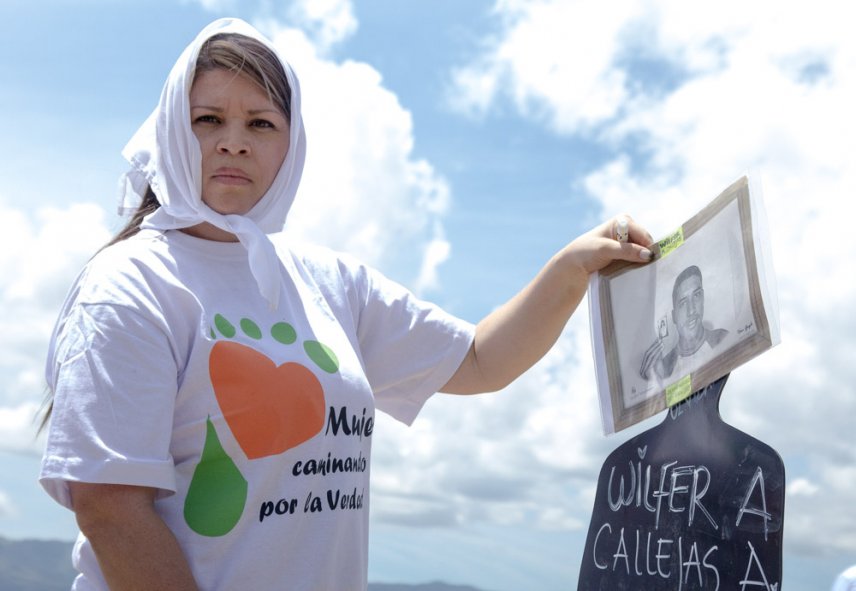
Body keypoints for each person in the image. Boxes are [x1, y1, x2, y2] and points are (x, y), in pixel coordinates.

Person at [38, 18, 653, 591]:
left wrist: (573, 267)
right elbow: (110, 506)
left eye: (261, 124)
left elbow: (480, 361)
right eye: (207, 120)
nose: (234, 144)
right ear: (172, 127)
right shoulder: (129, 286)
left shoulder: (327, 281)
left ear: (291, 144)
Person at [639, 264, 728, 381]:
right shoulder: (664, 368)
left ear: (703, 298)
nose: (691, 311)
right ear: (674, 316)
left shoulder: (723, 338)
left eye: (696, 295)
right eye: (683, 303)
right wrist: (648, 382)